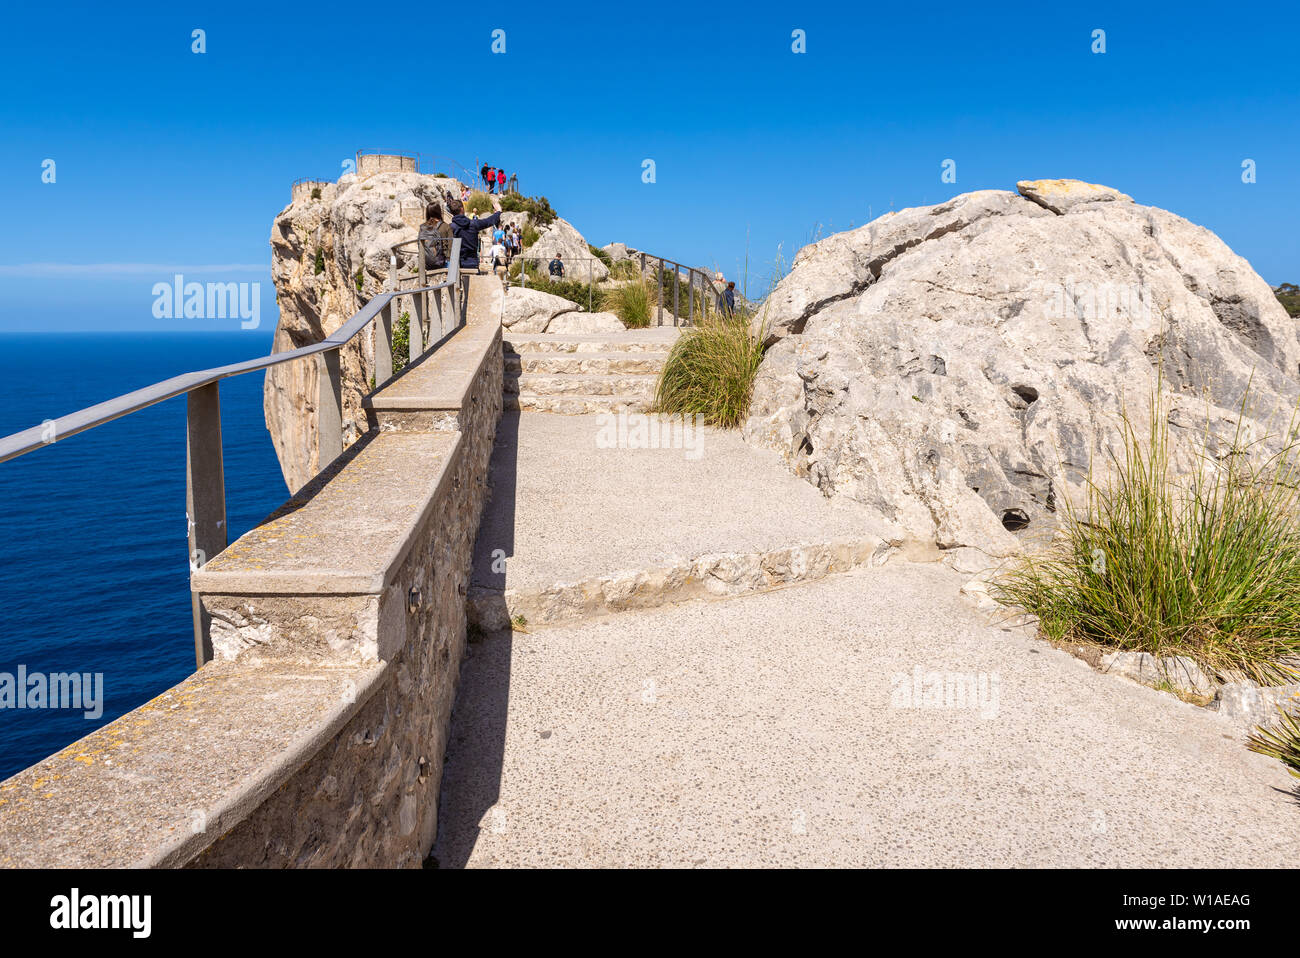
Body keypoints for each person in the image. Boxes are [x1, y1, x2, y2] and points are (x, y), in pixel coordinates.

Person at [447, 197, 502, 271]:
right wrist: (498, 211)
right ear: (462, 209)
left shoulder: (450, 227)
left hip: (457, 265)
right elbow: (488, 221)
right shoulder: (473, 224)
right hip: (472, 263)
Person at [418, 202, 453, 270]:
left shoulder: (422, 227)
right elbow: (451, 246)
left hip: (426, 263)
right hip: (442, 262)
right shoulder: (445, 226)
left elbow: (419, 245)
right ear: (439, 212)